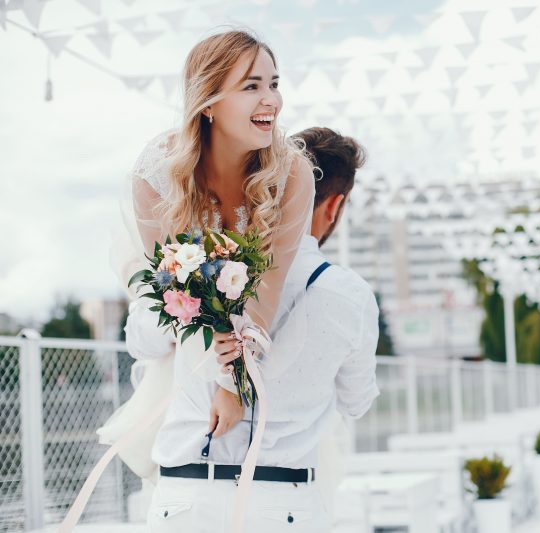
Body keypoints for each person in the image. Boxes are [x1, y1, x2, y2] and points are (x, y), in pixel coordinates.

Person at [113, 29, 376, 533]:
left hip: (250, 335)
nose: (272, 100)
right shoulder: (155, 172)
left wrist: (235, 386)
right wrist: (215, 367)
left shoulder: (292, 171)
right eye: (252, 86)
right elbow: (175, 287)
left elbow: (268, 292)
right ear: (209, 100)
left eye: (275, 84)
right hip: (188, 323)